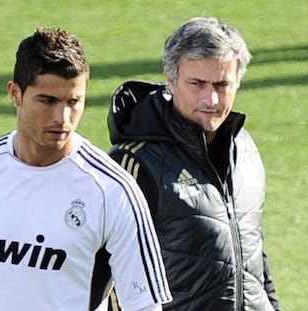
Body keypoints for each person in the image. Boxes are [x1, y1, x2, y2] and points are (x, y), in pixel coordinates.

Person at [0, 27, 172, 311]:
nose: (62, 118)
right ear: (15, 94)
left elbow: (143, 305)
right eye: (48, 101)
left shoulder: (113, 190)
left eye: (74, 102)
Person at [107, 17, 280, 310]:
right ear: (170, 79)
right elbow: (111, 281)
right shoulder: (134, 163)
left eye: (222, 84)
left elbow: (254, 257)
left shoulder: (245, 148)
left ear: (238, 81)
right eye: (197, 84)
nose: (210, 98)